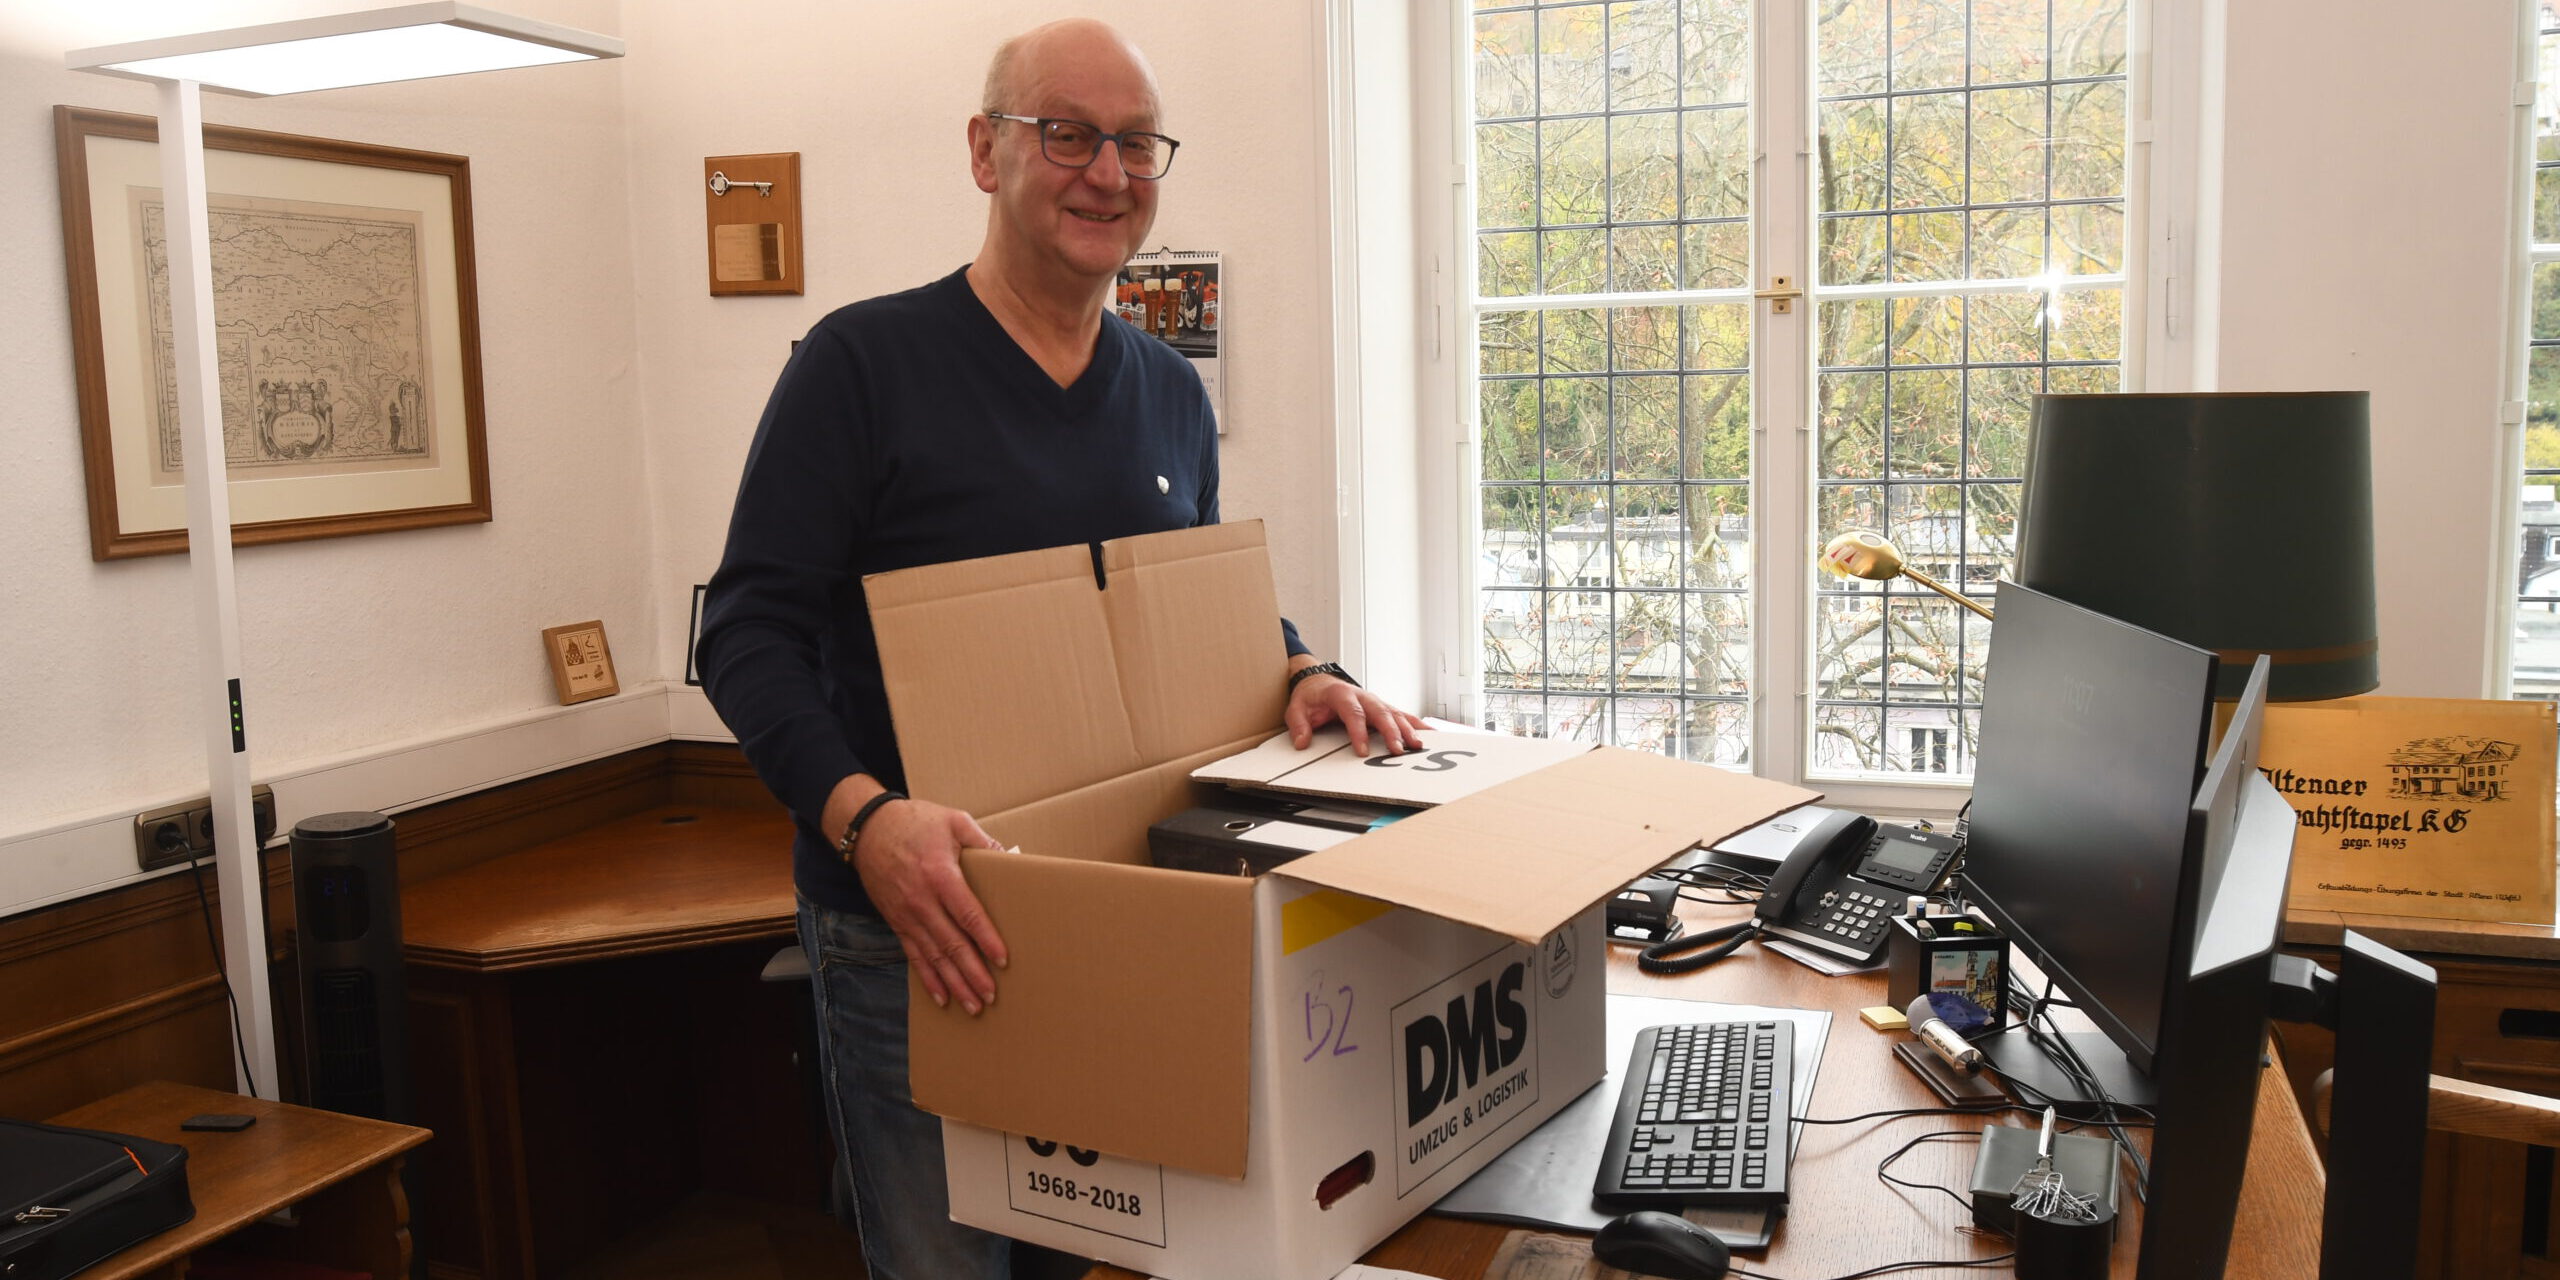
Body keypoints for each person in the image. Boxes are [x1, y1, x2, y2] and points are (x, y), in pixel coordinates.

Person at [694, 19, 1425, 1280]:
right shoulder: (861, 365)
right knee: (946, 1267)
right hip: (916, 925)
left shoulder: (1165, 390)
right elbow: (744, 632)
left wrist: (1302, 667)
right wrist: (869, 822)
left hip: (1108, 913)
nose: (1107, 172)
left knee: (1088, 1262)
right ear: (986, 152)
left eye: (1136, 143)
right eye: (1068, 134)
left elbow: (1179, 608)